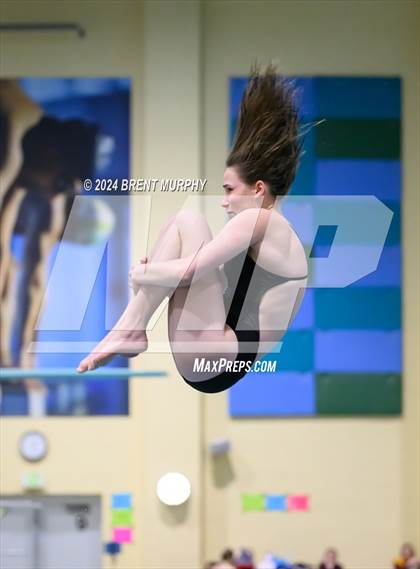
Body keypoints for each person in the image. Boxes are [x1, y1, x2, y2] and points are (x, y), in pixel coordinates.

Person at [77, 63, 308, 393]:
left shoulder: (259, 219)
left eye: (229, 189)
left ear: (258, 189)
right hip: (220, 361)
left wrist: (142, 275)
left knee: (189, 222)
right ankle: (130, 327)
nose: (223, 201)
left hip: (216, 353)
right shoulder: (283, 236)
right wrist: (157, 274)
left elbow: (189, 272)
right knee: (184, 226)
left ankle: (130, 327)